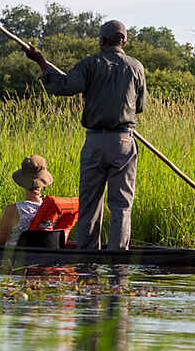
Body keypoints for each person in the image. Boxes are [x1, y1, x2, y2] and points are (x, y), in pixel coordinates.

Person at [23, 21, 147, 251]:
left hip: (95, 141)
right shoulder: (136, 66)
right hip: (123, 141)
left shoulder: (90, 64)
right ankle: (117, 255)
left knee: (90, 201)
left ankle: (88, 255)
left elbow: (63, 87)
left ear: (102, 40)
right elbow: (139, 106)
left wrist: (40, 61)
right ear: (124, 41)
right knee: (121, 204)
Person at [0, 154, 53, 248]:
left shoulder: (13, 210)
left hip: (15, 258)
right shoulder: (52, 208)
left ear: (23, 182)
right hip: (45, 254)